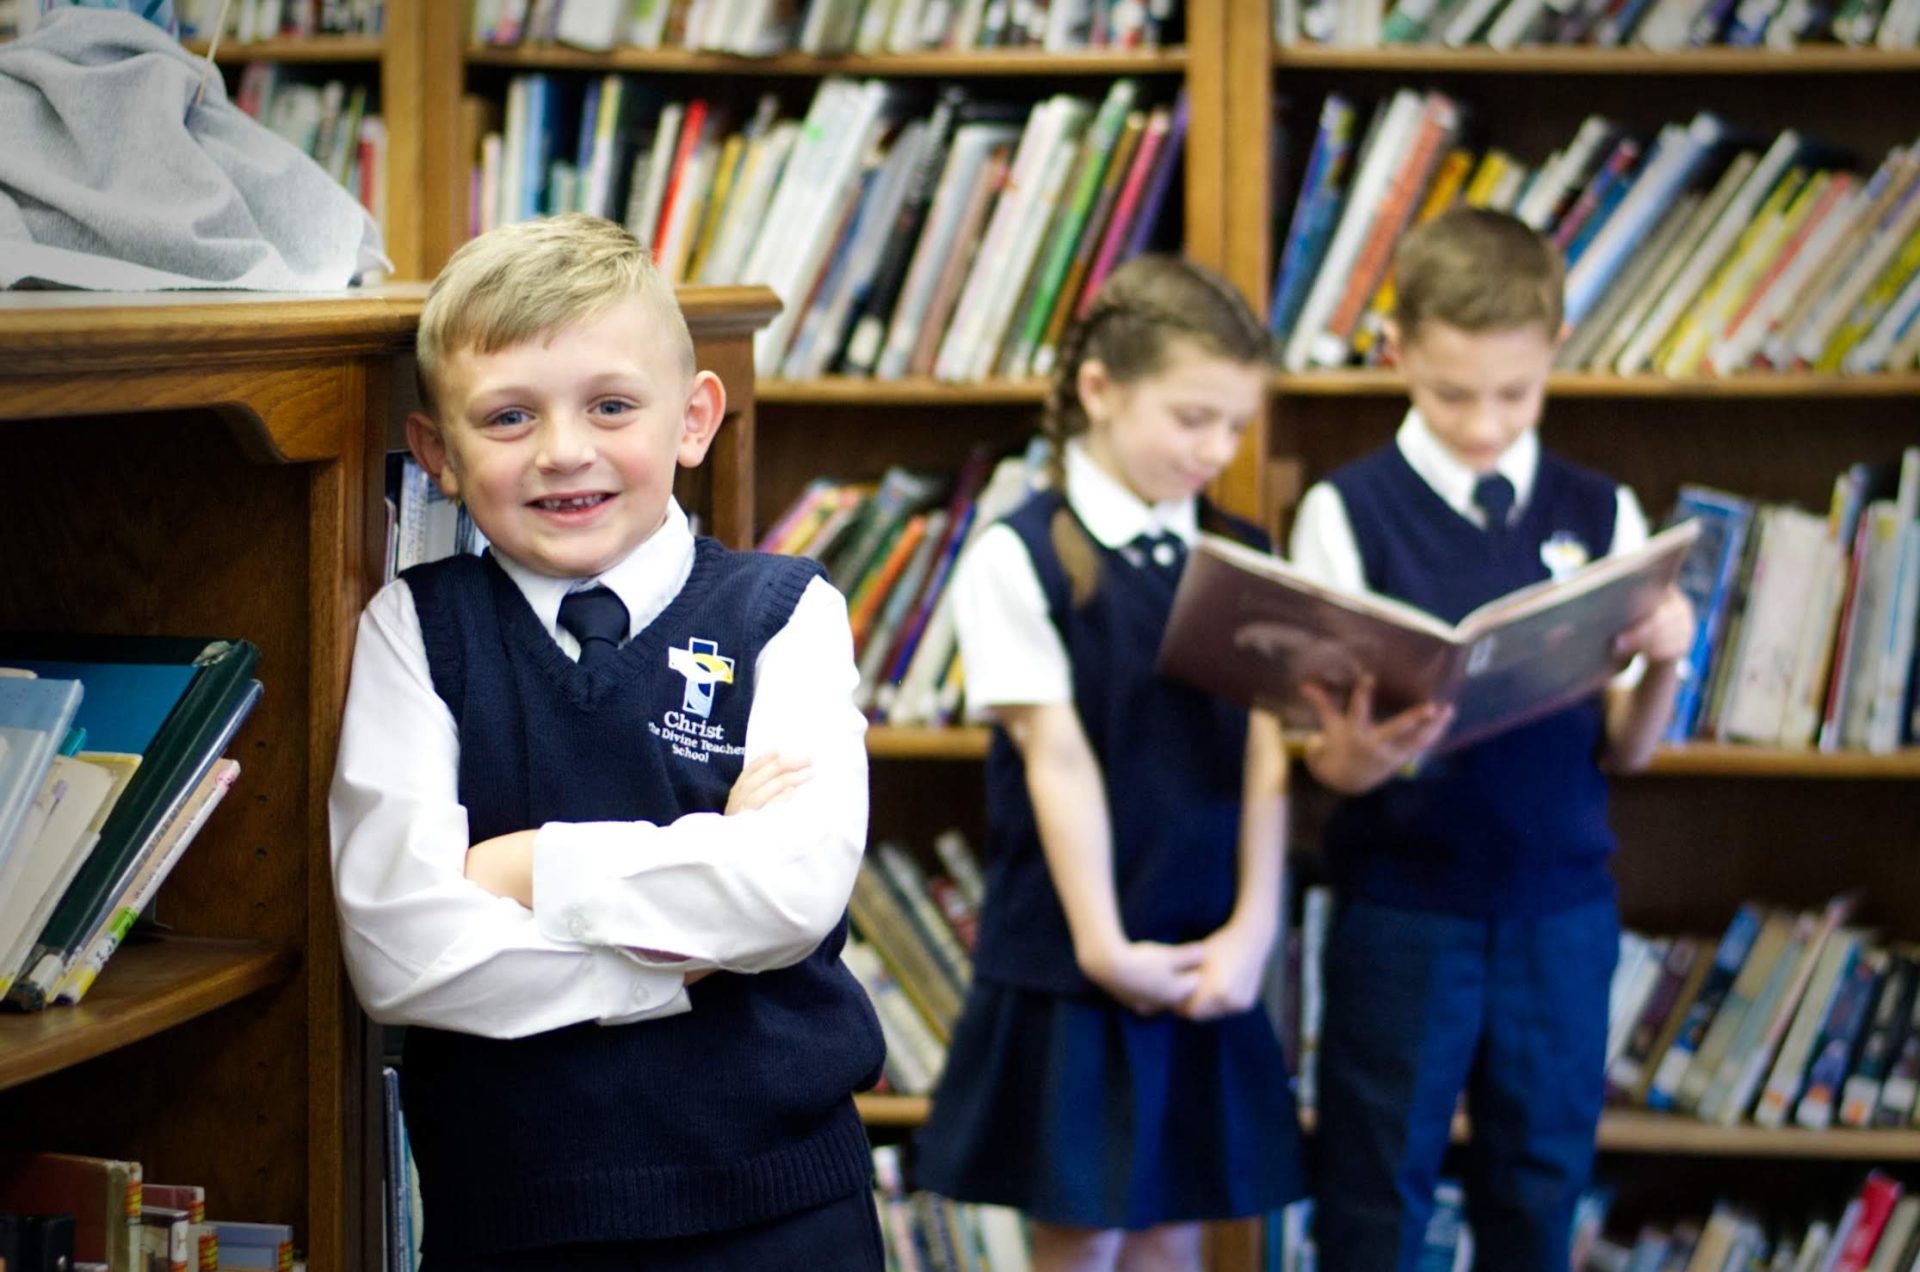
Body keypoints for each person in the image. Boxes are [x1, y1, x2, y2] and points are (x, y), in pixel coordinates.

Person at [328, 213, 886, 1271]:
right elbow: (401, 956)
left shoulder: (787, 611)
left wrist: (524, 867)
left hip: (784, 1211)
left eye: (612, 406)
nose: (564, 451)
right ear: (437, 455)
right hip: (516, 1217)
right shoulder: (415, 629)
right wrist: (684, 956)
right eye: (507, 418)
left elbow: (789, 897)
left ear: (694, 418)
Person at [1287, 207, 1695, 1271]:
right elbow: (1322, 756)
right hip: (1401, 909)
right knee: (1373, 1191)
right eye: (1449, 393)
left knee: (1540, 1186)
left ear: (1554, 352)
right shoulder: (1346, 511)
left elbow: (1632, 752)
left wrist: (1667, 661)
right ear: (1399, 353)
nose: (1481, 423)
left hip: (1559, 909)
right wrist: (1354, 760)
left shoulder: (1600, 511)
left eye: (1513, 395)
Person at [915, 255, 1306, 1272]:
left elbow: (1266, 752)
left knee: (1176, 1220)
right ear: (1100, 391)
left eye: (1234, 424)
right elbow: (1056, 757)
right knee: (1081, 1230)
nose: (1216, 449)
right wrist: (1104, 947)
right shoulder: (1022, 554)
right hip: (1076, 952)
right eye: (1191, 418)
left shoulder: (1241, 552)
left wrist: (1253, 931)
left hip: (1203, 946)